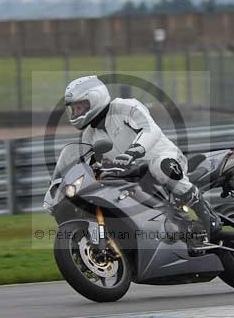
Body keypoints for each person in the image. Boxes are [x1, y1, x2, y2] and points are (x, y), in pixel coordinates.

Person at [63, 75, 220, 233]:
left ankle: (208, 217)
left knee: (161, 167)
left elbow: (151, 130)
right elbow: (88, 163)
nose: (76, 112)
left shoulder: (125, 107)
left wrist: (133, 152)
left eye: (80, 107)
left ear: (95, 98)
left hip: (165, 158)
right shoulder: (89, 135)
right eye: (73, 109)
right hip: (133, 175)